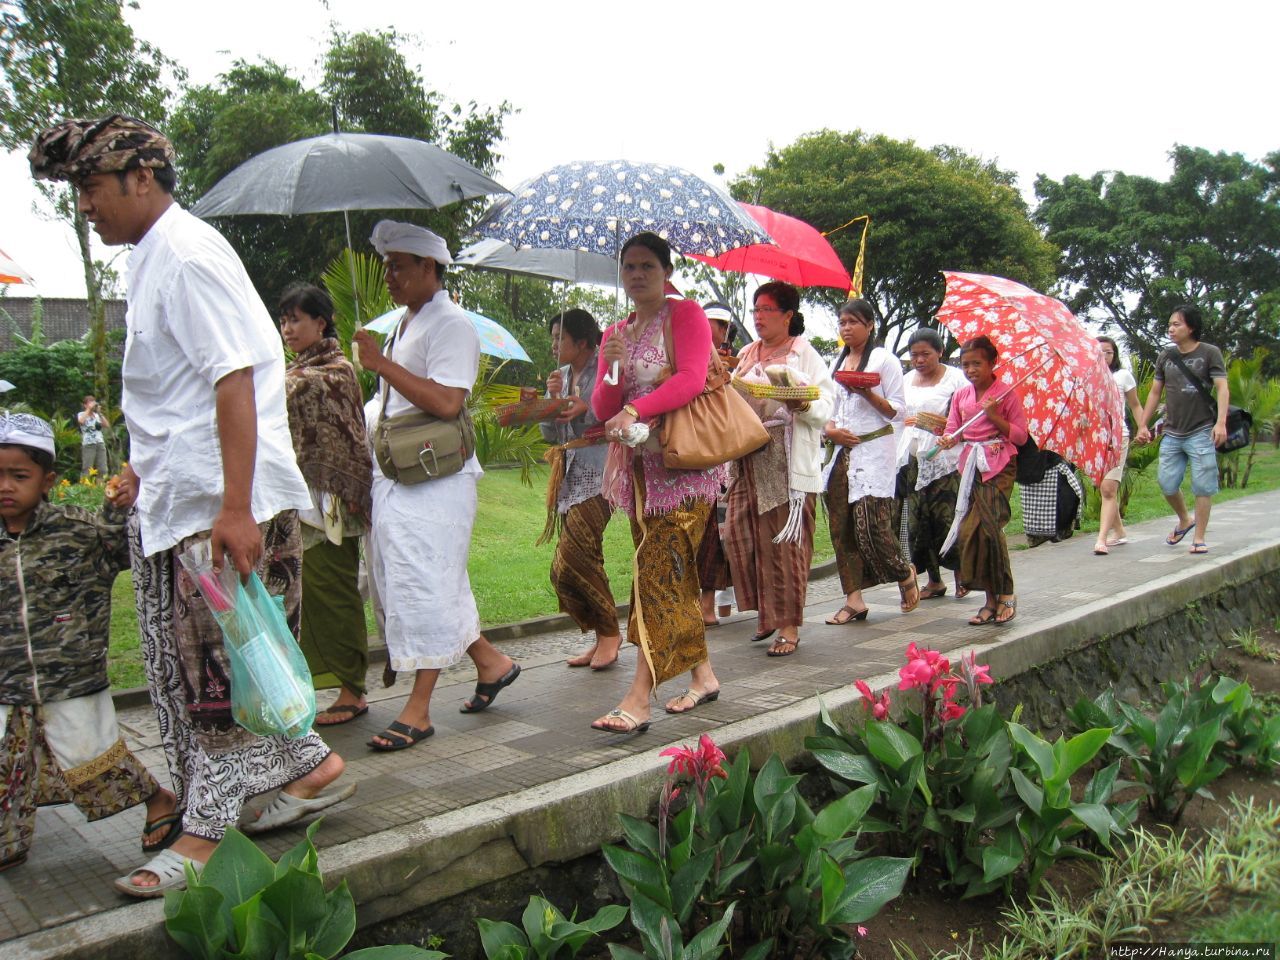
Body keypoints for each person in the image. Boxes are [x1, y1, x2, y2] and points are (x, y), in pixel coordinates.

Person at [31, 115, 352, 897]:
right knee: (190, 672)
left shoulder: (185, 253)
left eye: (93, 187)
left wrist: (237, 509)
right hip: (183, 501)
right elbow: (170, 392)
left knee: (216, 681)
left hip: (221, 507)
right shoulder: (149, 257)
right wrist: (145, 469)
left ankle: (206, 832)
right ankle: (310, 767)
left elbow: (233, 378)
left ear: (142, 178)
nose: (85, 206)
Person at [353, 220, 519, 750]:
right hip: (400, 477)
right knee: (432, 579)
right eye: (386, 266)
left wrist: (379, 364)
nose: (389, 276)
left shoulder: (452, 325)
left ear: (429, 268)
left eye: (398, 266)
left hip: (434, 481)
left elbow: (448, 401)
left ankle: (419, 710)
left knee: (427, 583)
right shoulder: (405, 323)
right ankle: (492, 664)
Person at [0, 412, 179, 873]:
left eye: (18, 476)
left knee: (90, 755)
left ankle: (158, 798)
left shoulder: (77, 531)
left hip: (71, 675)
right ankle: (9, 839)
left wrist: (119, 505)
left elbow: (128, 548)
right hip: (6, 679)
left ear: (47, 481)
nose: (5, 486)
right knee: (5, 763)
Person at [590, 232, 725, 731]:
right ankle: (704, 676)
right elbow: (602, 409)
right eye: (629, 267)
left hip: (684, 467)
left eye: (647, 265)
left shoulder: (683, 314)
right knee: (672, 573)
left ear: (666, 271)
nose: (638, 274)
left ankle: (638, 698)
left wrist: (636, 405)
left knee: (656, 573)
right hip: (640, 472)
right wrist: (612, 363)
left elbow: (690, 378)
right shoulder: (616, 332)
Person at [722, 282, 835, 657]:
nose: (759, 316)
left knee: (783, 544)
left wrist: (802, 405)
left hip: (786, 460)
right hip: (749, 455)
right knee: (740, 535)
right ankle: (767, 613)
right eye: (755, 309)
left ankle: (788, 626)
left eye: (767, 309)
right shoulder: (747, 353)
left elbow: (824, 404)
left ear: (788, 315)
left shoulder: (804, 354)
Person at [278, 283, 373, 722]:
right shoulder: (296, 370)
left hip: (334, 501)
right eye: (283, 320)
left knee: (334, 592)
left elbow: (347, 436)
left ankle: (353, 690)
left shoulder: (336, 371)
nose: (287, 328)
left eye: (295, 319)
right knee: (305, 594)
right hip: (299, 499)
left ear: (320, 322)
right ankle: (318, 686)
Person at [822, 299, 918, 624]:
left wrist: (865, 392)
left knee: (871, 524)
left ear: (870, 325)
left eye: (853, 322)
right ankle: (854, 599)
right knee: (841, 527)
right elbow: (830, 414)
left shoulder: (883, 360)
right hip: (841, 456)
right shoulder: (838, 363)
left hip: (874, 452)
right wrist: (831, 431)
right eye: (842, 322)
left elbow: (899, 410)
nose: (846, 328)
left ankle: (904, 573)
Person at [540, 309, 622, 671]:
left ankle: (609, 633)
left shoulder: (603, 371)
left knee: (574, 556)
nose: (555, 344)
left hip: (601, 471)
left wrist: (583, 408)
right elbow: (549, 432)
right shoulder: (561, 377)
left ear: (583, 342)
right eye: (553, 337)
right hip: (569, 474)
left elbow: (609, 416)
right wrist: (550, 399)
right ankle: (600, 632)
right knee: (569, 566)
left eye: (561, 338)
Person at [936, 336, 1029, 625]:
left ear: (992, 363)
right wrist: (947, 438)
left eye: (977, 363)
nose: (971, 369)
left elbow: (1020, 436)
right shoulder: (962, 396)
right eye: (965, 364)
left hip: (999, 465)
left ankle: (1007, 595)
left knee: (989, 528)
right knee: (971, 533)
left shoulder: (1006, 394)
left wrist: (994, 416)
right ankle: (990, 599)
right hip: (971, 467)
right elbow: (954, 429)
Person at [1134, 305, 1229, 556]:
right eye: (1170, 325)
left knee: (1203, 485)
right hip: (1173, 431)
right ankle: (1185, 519)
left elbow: (1221, 388)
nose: (1171, 329)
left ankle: (1199, 537)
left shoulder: (1210, 353)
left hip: (1201, 429)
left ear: (1192, 327)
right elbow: (1156, 392)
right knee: (1166, 482)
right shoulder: (1166, 356)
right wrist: (1143, 424)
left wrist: (1220, 423)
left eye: (1176, 324)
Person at [895, 328, 969, 598]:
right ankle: (934, 580)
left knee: (947, 517)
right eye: (914, 355)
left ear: (940, 352)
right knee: (918, 520)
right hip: (914, 458)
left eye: (926, 354)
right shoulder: (905, 381)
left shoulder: (957, 380)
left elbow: (965, 416)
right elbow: (897, 414)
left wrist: (942, 426)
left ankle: (963, 576)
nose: (920, 360)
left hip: (945, 461)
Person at [697, 303, 735, 627]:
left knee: (714, 534)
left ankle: (708, 604)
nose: (714, 329)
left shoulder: (730, 361)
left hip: (718, 461)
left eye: (718, 325)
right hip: (690, 455)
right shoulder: (685, 353)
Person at [1092, 336, 1145, 556]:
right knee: (1104, 487)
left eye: (1108, 352)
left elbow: (1134, 405)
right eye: (1099, 351)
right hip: (1095, 438)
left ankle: (1101, 539)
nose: (1104, 356)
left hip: (1117, 437)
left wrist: (1142, 427)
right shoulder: (1087, 378)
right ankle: (1120, 532)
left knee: (1108, 488)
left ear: (1114, 355)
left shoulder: (1122, 376)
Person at [77, 395, 109, 478]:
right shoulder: (81, 414)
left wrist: (99, 412)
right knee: (87, 467)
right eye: (90, 403)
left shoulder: (97, 415)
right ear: (85, 405)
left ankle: (101, 487)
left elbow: (106, 425)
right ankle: (84, 487)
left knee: (102, 468)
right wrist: (89, 409)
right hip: (89, 443)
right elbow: (81, 421)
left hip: (100, 442)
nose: (92, 405)